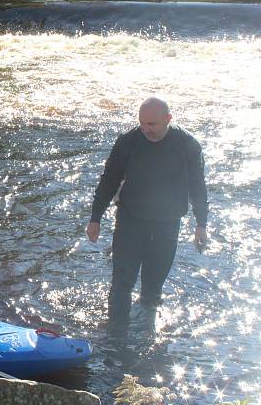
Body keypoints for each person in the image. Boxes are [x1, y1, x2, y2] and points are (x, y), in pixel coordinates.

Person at [86, 96, 208, 325]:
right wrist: (95, 218)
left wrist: (201, 224)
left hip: (168, 223)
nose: (145, 129)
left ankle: (147, 340)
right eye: (142, 123)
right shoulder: (128, 142)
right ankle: (116, 339)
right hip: (130, 219)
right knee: (122, 282)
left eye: (152, 124)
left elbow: (198, 186)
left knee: (153, 286)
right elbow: (109, 180)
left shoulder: (187, 145)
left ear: (168, 119)